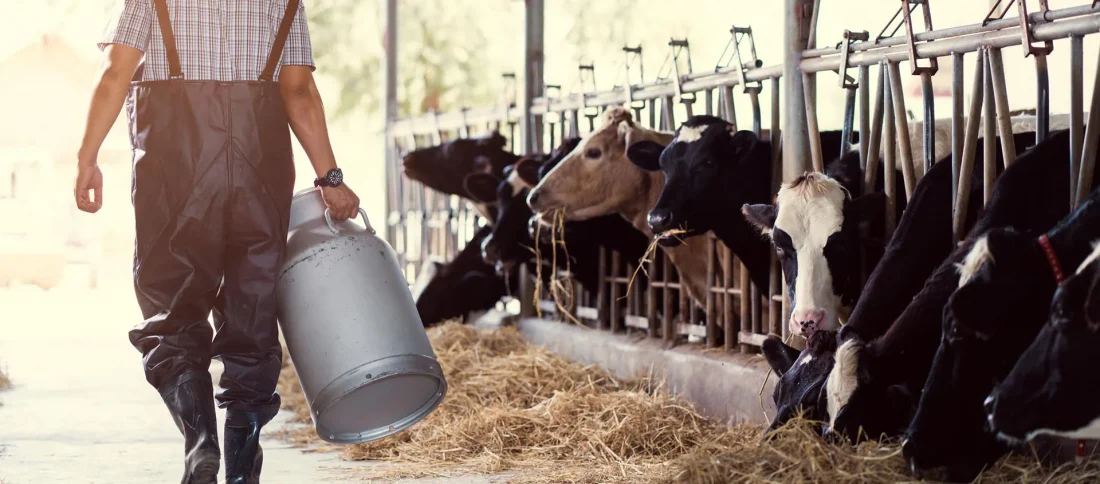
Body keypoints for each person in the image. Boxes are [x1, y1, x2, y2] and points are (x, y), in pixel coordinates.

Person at [74, 1, 359, 482]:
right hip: (260, 171)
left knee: (173, 308)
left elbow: (115, 72)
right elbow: (299, 90)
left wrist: (87, 156)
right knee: (253, 310)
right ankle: (244, 467)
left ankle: (200, 442)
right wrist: (329, 177)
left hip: (175, 172)